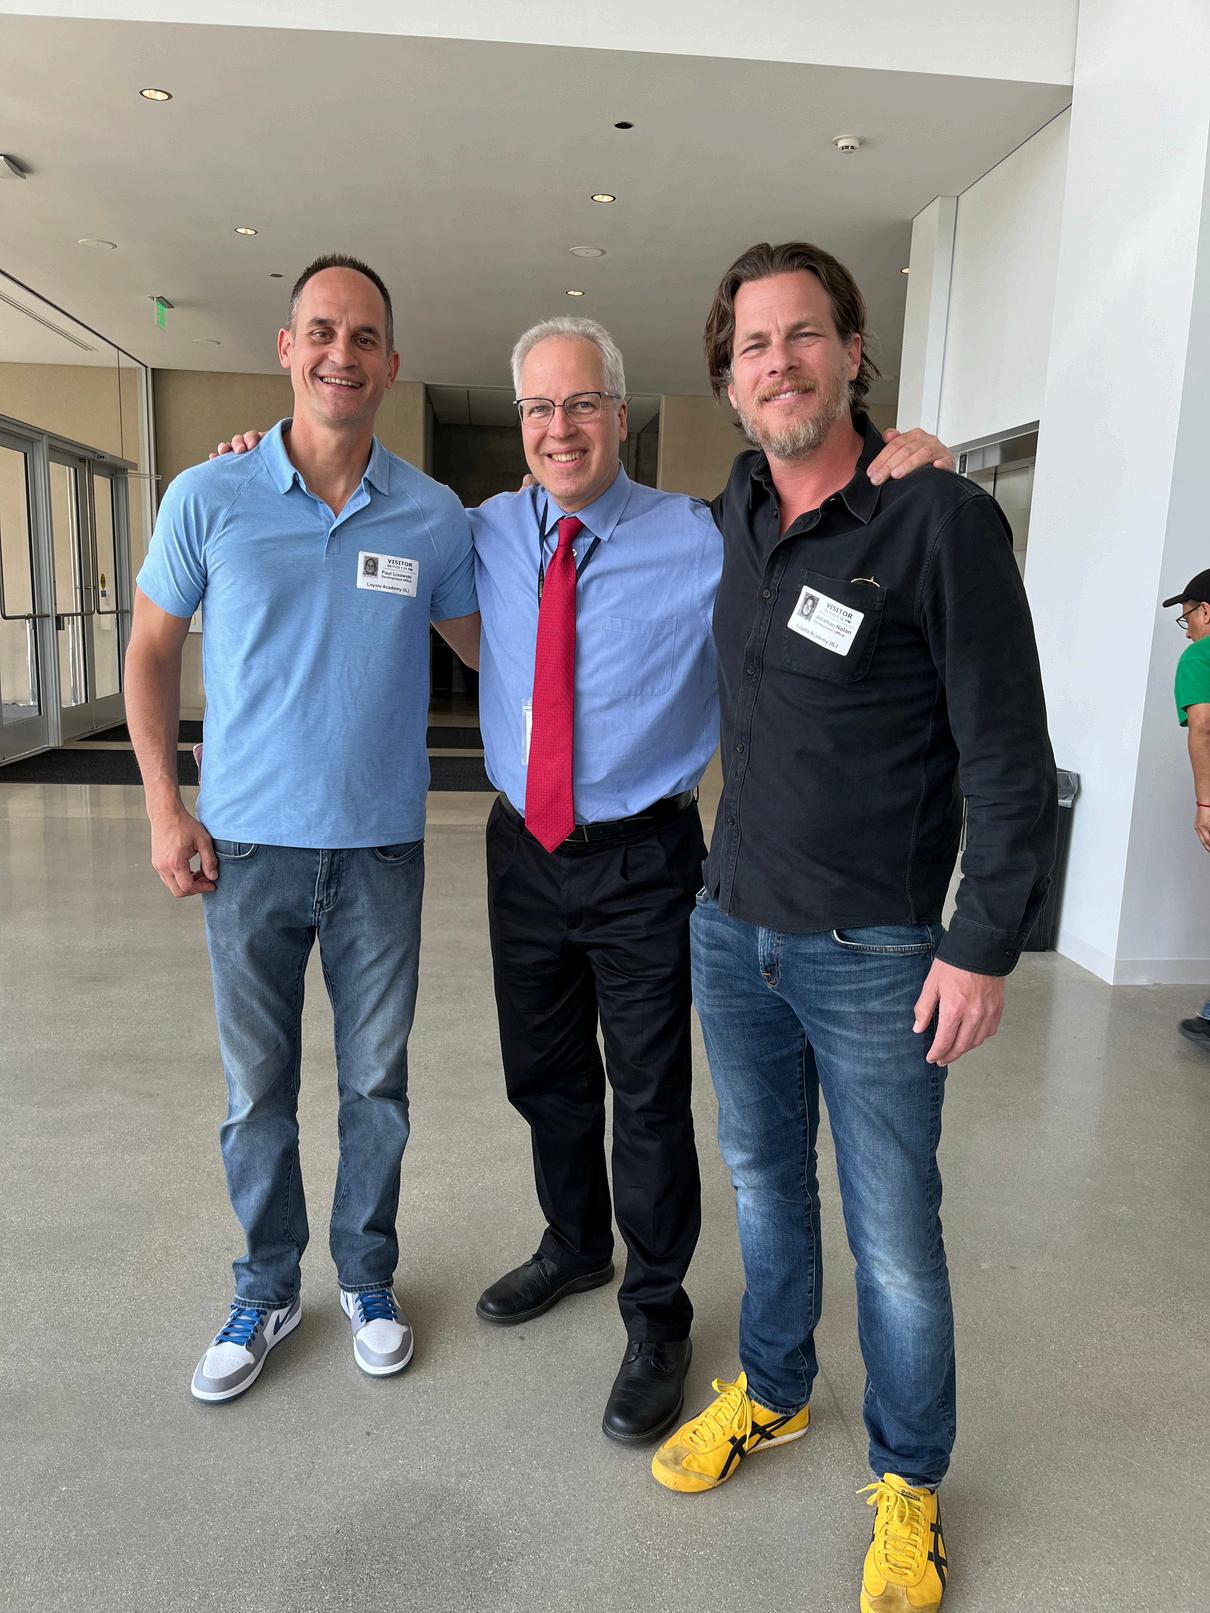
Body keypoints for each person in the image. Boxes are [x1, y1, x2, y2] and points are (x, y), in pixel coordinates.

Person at [211, 320, 952, 1444]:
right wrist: (255, 457)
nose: (560, 428)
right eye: (539, 408)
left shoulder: (702, 534)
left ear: (619, 410)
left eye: (582, 404)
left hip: (647, 857)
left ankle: (656, 1314)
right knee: (545, 1076)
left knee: (647, 1096)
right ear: (522, 422)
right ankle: (573, 1241)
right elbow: (349, 505)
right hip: (523, 847)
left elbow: (817, 508)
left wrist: (904, 458)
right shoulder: (477, 529)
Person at [650, 243, 1056, 1613]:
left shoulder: (935, 521)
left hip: (877, 955)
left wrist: (981, 941)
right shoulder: (732, 513)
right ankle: (773, 1389)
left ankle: (908, 1477)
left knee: (892, 1230)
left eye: (803, 334)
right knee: (764, 1186)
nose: (779, 362)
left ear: (851, 351)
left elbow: (1006, 752)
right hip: (732, 930)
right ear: (728, 378)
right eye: (753, 345)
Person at [125, 255, 480, 1403]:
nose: (341, 352)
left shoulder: (431, 515)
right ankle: (267, 1285)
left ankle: (366, 1276)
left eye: (364, 336)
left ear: (391, 362)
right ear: (287, 347)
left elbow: (498, 647)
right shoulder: (209, 495)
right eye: (321, 330)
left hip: (379, 849)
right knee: (256, 1091)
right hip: (246, 850)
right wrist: (163, 804)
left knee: (376, 1084)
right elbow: (149, 650)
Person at [1162, 570, 1210, 1048]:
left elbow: (1204, 726)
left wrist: (1205, 803)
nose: (1188, 628)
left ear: (1206, 612)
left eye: (1187, 617)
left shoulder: (1200, 656)